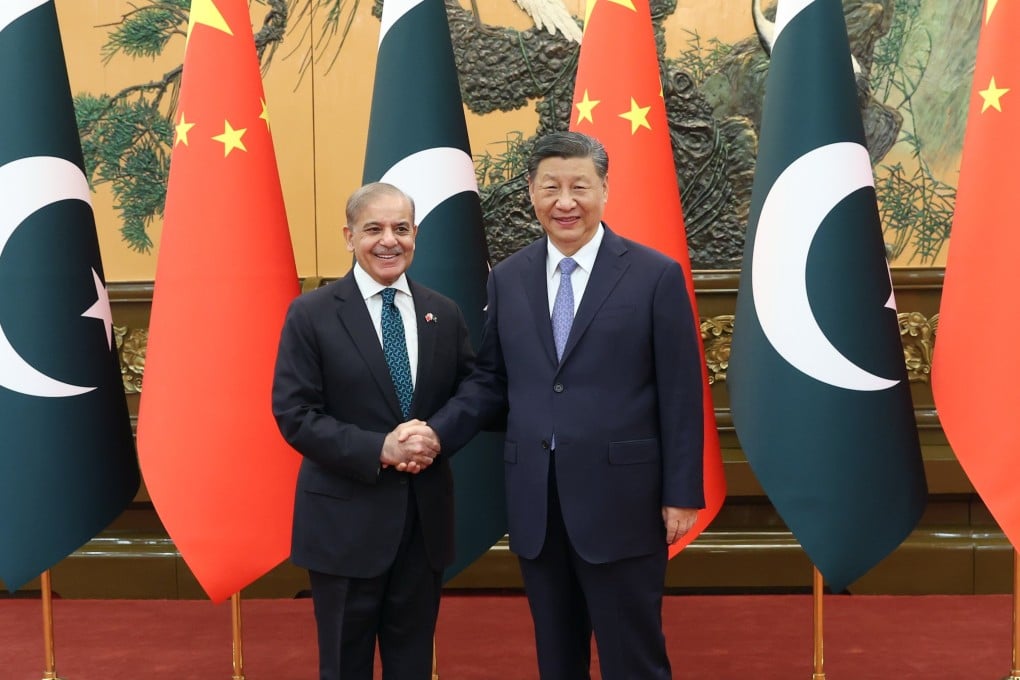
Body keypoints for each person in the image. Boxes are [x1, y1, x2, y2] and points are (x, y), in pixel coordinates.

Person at [402, 131, 705, 679]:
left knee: (632, 656)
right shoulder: (510, 276)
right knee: (557, 658)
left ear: (605, 190)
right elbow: (492, 381)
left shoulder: (654, 275)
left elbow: (682, 393)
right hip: (538, 503)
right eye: (551, 188)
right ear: (531, 193)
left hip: (625, 502)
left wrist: (681, 493)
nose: (565, 202)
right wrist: (437, 432)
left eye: (579, 187)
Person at [272, 182, 473, 680]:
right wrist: (379, 448)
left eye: (401, 229)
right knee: (344, 666)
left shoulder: (442, 313)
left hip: (422, 528)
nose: (389, 241)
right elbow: (294, 413)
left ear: (415, 235)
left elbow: (474, 394)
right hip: (344, 528)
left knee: (412, 667)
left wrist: (435, 436)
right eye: (374, 229)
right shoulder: (312, 314)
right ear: (349, 236)